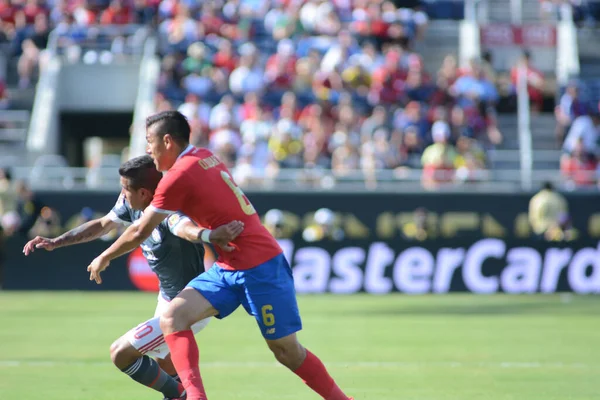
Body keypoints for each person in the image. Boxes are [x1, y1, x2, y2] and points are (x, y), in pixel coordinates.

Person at [87, 111, 353, 400]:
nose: (148, 150)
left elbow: (139, 231)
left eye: (150, 142)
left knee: (286, 351)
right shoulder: (203, 155)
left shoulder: (177, 176)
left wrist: (105, 256)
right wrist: (210, 236)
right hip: (228, 266)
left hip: (260, 265)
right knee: (173, 317)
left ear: (167, 141)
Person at [23, 155, 244, 400]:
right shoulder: (131, 201)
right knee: (166, 369)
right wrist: (56, 241)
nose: (122, 194)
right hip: (167, 298)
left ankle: (184, 396)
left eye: (126, 189)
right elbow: (104, 224)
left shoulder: (168, 209)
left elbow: (184, 228)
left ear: (144, 193)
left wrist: (208, 236)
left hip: (188, 304)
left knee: (121, 353)